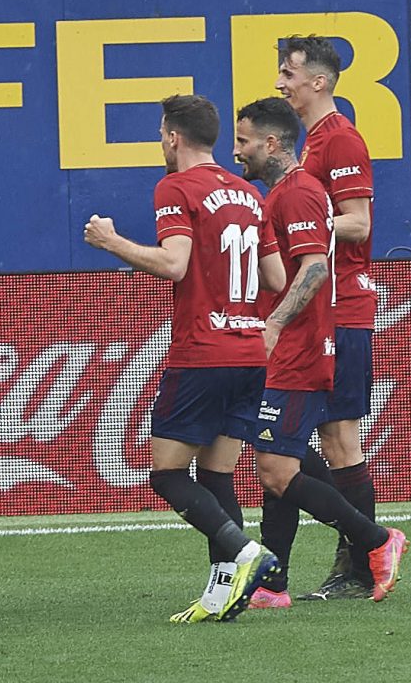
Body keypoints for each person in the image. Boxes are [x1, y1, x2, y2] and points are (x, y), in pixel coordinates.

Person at [83, 94, 284, 622]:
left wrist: (111, 241)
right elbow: (277, 279)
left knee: (166, 474)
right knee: (217, 476)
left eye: (161, 134)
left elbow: (174, 264)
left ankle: (246, 552)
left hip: (203, 353)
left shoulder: (175, 187)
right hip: (249, 352)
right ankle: (222, 595)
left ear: (173, 136)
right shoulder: (248, 192)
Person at [232, 97, 407, 605]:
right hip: (286, 344)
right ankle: (274, 581)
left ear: (270, 143)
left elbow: (314, 268)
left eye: (244, 141)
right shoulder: (282, 193)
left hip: (299, 348)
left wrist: (273, 325)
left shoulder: (301, 192)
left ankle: (376, 542)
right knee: (277, 459)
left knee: (277, 464)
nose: (237, 151)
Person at [254, 35, 381, 604]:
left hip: (344, 306)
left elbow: (358, 222)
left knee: (340, 439)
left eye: (289, 73)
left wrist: (309, 225)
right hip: (322, 309)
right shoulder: (311, 143)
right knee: (304, 442)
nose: (281, 83)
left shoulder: (341, 138)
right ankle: (300, 569)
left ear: (319, 82)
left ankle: (363, 562)